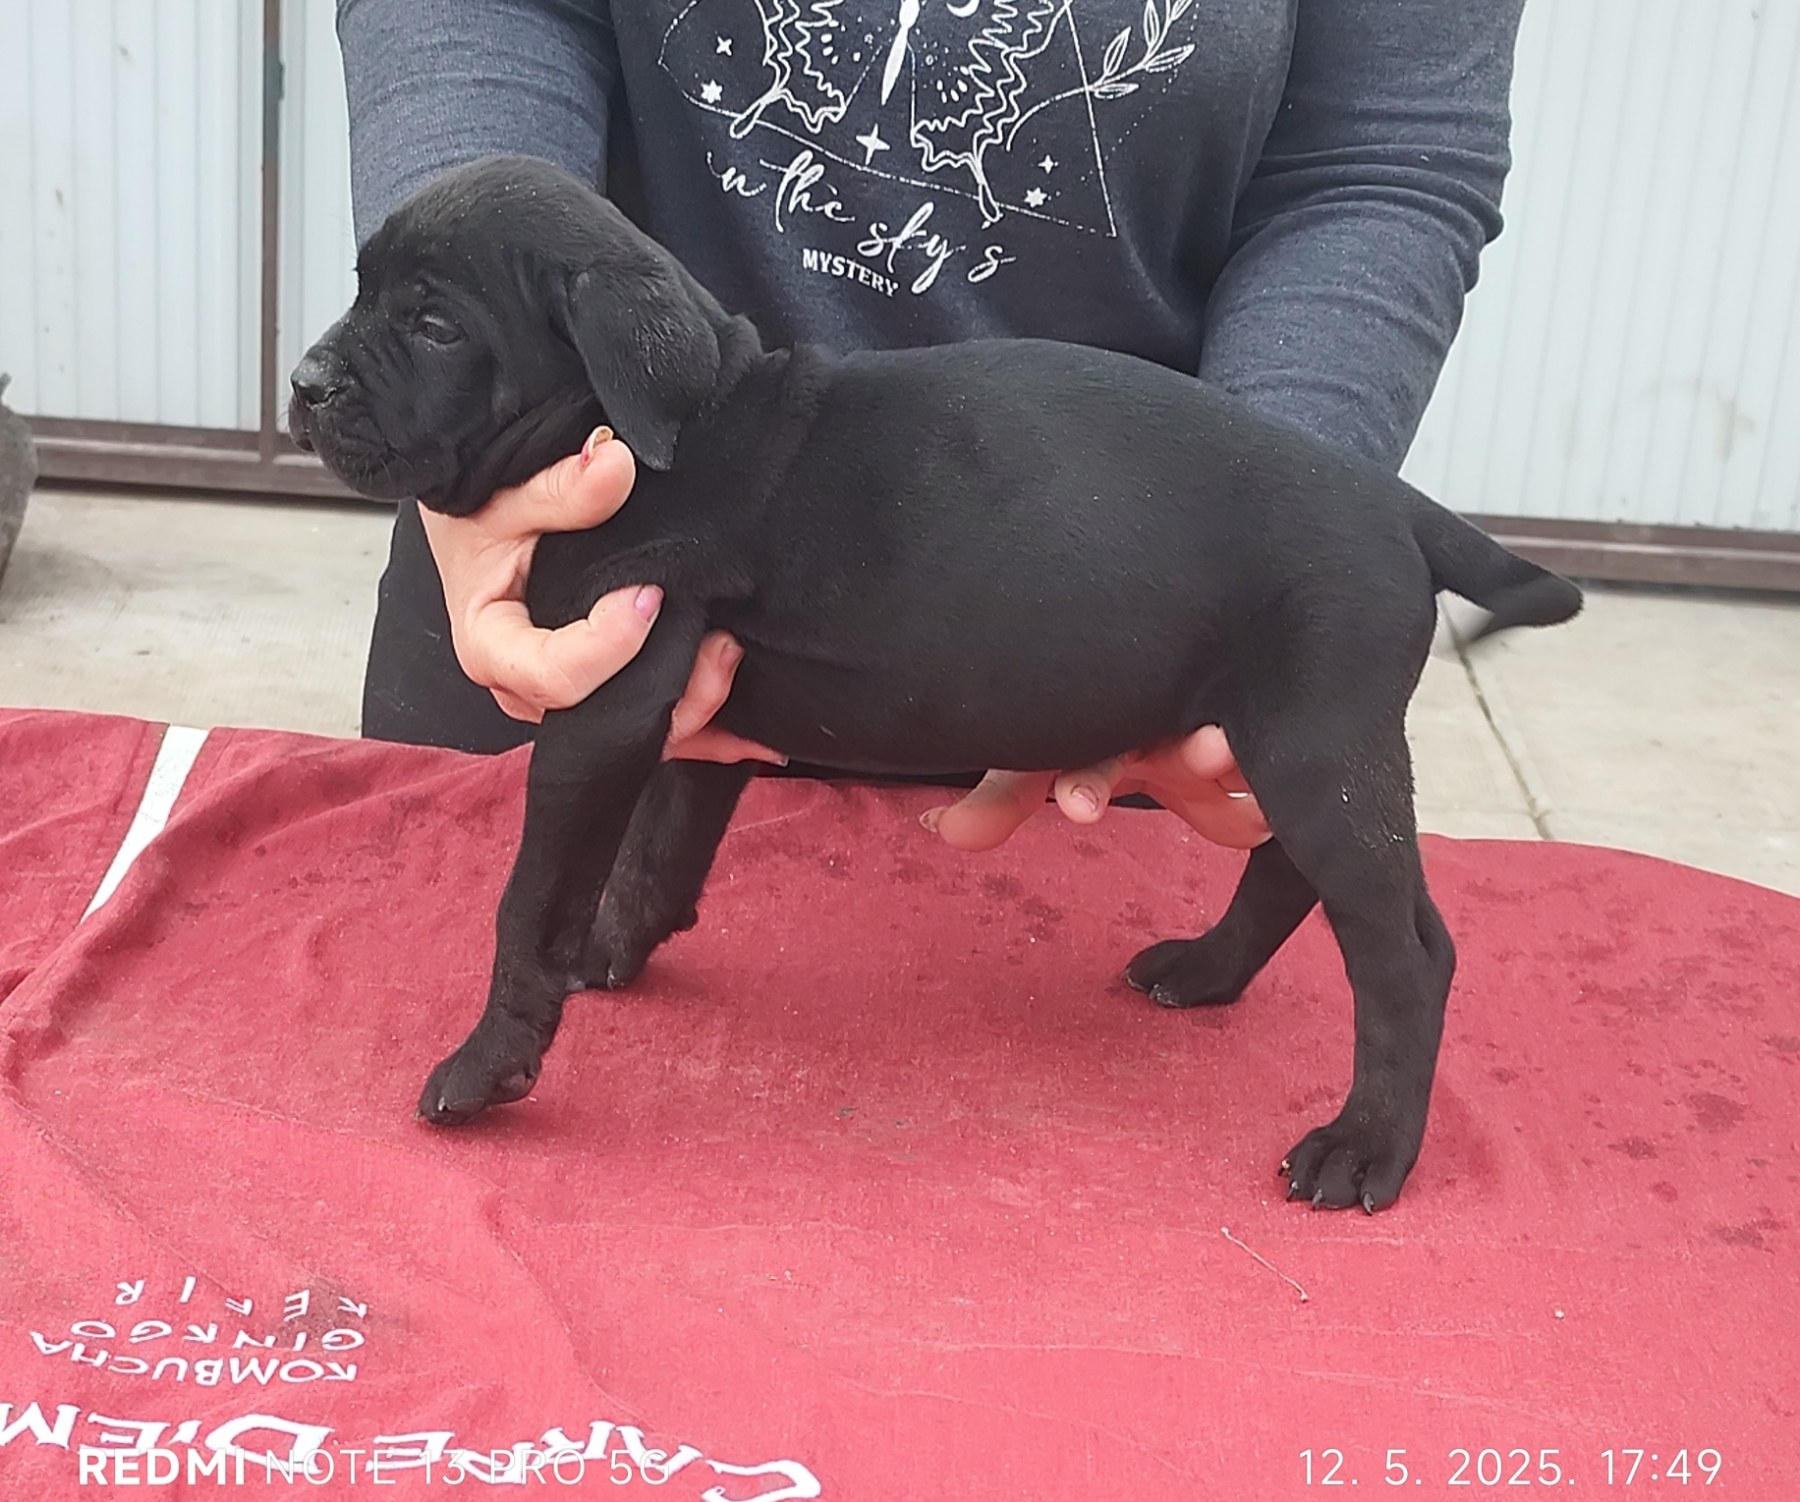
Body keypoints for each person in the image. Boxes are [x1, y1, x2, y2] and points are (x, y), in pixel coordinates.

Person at [335, 0, 1524, 852]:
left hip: (1095, 633)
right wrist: (474, 431)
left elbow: (1374, 154)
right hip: (581, 585)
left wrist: (1247, 559)